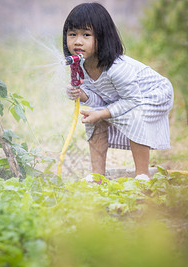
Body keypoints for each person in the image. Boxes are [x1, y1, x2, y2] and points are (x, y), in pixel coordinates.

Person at [63, 2, 174, 181]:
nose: (77, 41)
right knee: (94, 121)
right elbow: (98, 96)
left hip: (155, 94)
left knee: (134, 116)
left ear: (103, 37)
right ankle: (98, 177)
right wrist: (81, 94)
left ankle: (142, 175)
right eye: (72, 34)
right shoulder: (83, 65)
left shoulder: (117, 68)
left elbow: (132, 101)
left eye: (86, 35)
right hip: (128, 98)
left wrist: (103, 113)